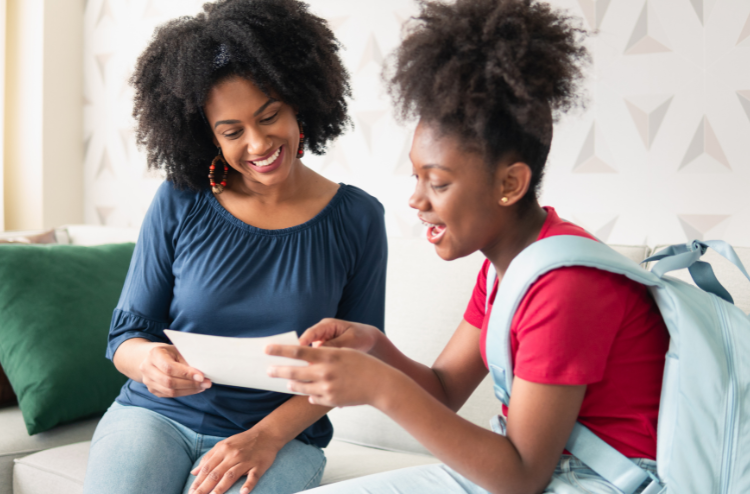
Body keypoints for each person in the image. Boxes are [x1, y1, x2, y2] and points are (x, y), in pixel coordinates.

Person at [266, 0, 668, 493]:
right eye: (416, 176)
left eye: (437, 182)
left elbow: (522, 476)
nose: (415, 200)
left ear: (510, 183)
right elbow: (444, 390)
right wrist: (376, 349)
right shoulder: (508, 269)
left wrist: (378, 386)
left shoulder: (565, 286)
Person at [81, 1, 387, 494]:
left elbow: (358, 365)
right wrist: (149, 364)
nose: (258, 143)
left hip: (279, 437)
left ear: (299, 106)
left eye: (270, 117)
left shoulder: (358, 219)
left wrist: (264, 438)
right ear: (208, 137)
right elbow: (127, 334)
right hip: (156, 416)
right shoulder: (181, 199)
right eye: (232, 132)